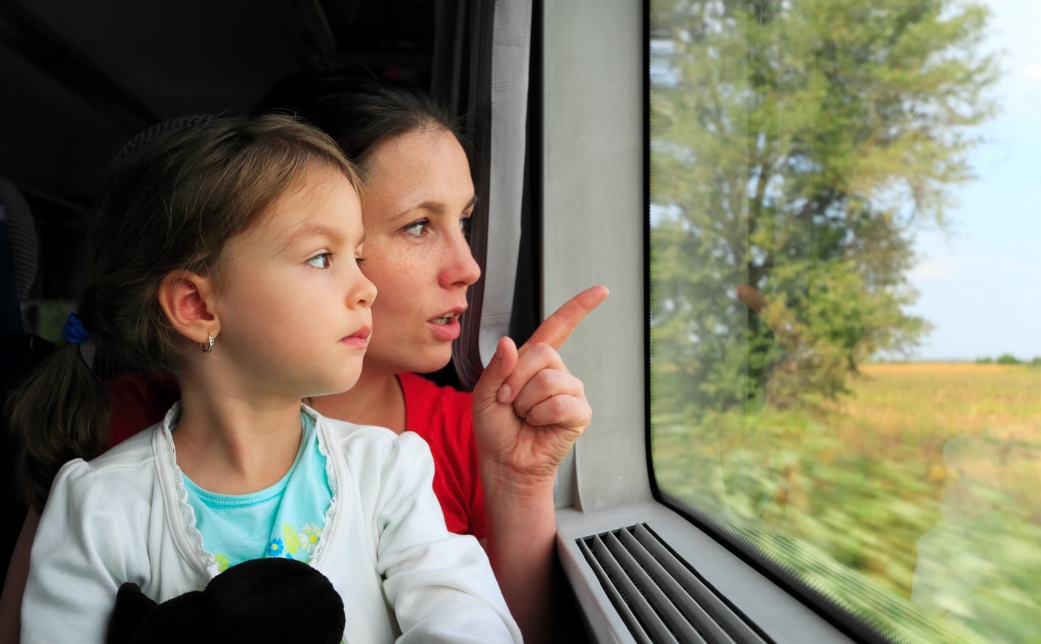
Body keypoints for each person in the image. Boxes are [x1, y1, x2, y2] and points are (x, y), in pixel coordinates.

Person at [0, 71, 606, 643]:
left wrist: (519, 483)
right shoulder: (103, 464)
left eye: (465, 221)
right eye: (417, 225)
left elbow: (483, 621)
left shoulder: (412, 460)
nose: (470, 267)